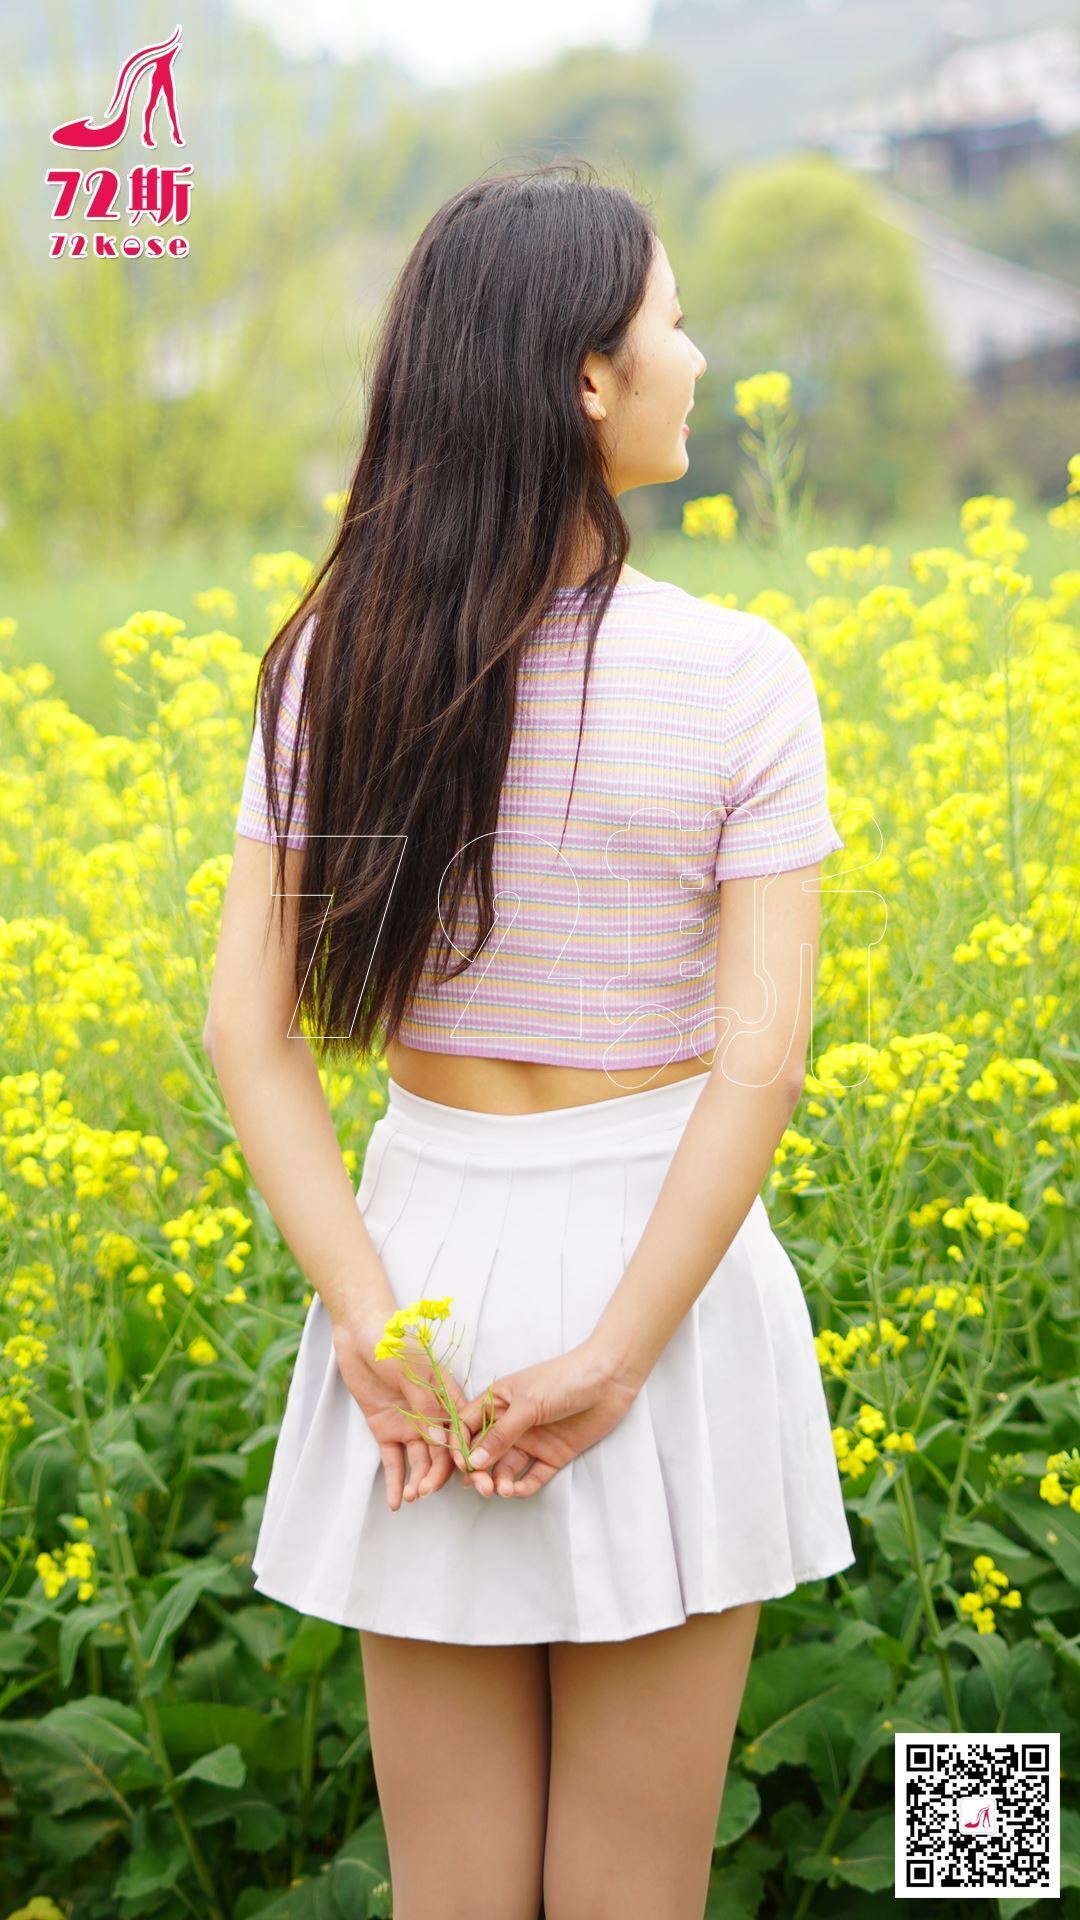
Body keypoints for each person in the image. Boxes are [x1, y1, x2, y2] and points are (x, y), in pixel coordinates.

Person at [204, 163, 855, 1920]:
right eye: (669, 321)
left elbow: (245, 1035)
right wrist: (628, 1354)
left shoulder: (335, 664)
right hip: (667, 1266)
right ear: (586, 377)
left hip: (422, 1274)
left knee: (453, 1898)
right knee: (634, 1897)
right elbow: (761, 1062)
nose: (696, 357)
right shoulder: (738, 676)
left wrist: (364, 1315)